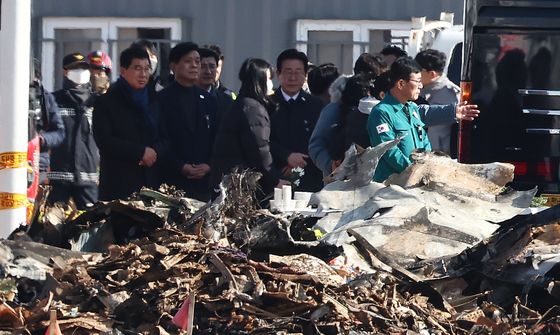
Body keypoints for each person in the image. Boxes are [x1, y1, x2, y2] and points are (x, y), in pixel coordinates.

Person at [92, 47, 168, 201]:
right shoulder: (107, 102)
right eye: (137, 68)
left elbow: (166, 136)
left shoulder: (155, 100)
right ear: (123, 70)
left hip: (151, 183)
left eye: (147, 69)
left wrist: (154, 152)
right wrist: (140, 152)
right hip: (119, 183)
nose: (143, 74)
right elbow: (105, 141)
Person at [211, 58, 288, 201]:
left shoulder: (244, 103)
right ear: (259, 80)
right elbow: (259, 150)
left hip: (230, 179)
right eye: (269, 78)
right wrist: (275, 179)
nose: (272, 83)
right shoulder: (253, 109)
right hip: (238, 183)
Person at [309, 53, 387, 176]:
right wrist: (331, 166)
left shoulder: (386, 105)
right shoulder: (336, 107)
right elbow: (316, 144)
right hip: (341, 182)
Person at [159, 42, 219, 202]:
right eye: (188, 61)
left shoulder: (208, 100)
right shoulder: (160, 100)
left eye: (197, 61)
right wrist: (180, 166)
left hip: (203, 183)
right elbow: (158, 139)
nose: (194, 66)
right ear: (173, 66)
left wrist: (209, 164)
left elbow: (218, 138)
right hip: (170, 183)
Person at [367, 56, 431, 182]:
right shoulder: (382, 113)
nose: (421, 86)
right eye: (417, 81)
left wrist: (426, 168)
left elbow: (424, 141)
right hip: (390, 186)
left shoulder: (412, 108)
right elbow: (388, 149)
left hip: (415, 181)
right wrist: (412, 171)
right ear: (401, 84)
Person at [48, 53, 99, 209]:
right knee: (53, 227)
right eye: (75, 68)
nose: (80, 72)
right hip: (59, 178)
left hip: (88, 177)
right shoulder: (53, 100)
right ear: (65, 72)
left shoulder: (97, 102)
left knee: (93, 225)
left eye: (84, 68)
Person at [270, 49, 324, 192]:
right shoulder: (267, 104)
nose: (293, 77)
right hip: (276, 178)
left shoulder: (317, 105)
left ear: (305, 75)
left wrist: (300, 160)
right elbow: (261, 142)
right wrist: (286, 156)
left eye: (298, 72)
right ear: (278, 74)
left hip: (310, 178)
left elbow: (322, 139)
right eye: (288, 71)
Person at [415, 49, 460, 154]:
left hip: (441, 157)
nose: (414, 74)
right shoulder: (416, 90)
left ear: (432, 74)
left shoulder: (451, 94)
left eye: (418, 71)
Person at [28, 60, 65, 184]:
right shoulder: (7, 94)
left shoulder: (45, 98)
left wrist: (42, 139)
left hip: (38, 164)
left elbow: (59, 132)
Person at [198, 48, 234, 119]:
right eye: (203, 67)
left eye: (212, 67)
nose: (208, 71)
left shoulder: (226, 101)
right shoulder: (184, 99)